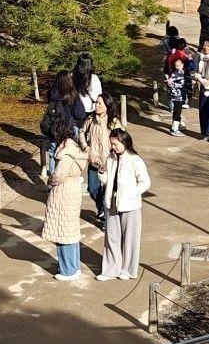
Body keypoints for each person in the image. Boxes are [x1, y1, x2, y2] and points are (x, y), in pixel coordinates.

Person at [40, 110, 89, 281]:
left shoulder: (66, 153)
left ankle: (68, 269)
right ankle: (73, 266)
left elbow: (59, 176)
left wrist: (48, 178)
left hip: (63, 192)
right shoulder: (74, 147)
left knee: (63, 232)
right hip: (72, 189)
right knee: (71, 230)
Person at [98, 128, 151, 281]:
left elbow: (145, 182)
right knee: (112, 237)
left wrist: (132, 193)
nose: (113, 147)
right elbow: (108, 180)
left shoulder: (135, 160)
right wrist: (102, 174)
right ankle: (110, 269)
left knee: (130, 238)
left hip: (130, 205)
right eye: (111, 143)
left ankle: (127, 269)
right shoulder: (110, 158)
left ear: (124, 143)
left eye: (115, 144)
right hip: (112, 201)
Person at [84, 93, 112, 225]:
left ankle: (106, 221)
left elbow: (120, 140)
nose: (97, 105)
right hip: (93, 161)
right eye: (96, 102)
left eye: (100, 103)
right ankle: (101, 209)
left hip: (108, 162)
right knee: (92, 188)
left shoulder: (113, 122)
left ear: (107, 106)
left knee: (108, 192)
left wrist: (110, 158)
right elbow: (81, 132)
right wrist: (86, 147)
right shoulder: (90, 119)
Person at [165, 58, 188, 135]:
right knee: (177, 111)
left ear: (182, 65)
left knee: (177, 110)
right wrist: (178, 85)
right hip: (176, 95)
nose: (178, 67)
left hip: (180, 95)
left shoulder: (182, 72)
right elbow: (170, 84)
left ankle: (175, 126)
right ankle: (175, 129)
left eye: (179, 65)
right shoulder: (175, 73)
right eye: (176, 65)